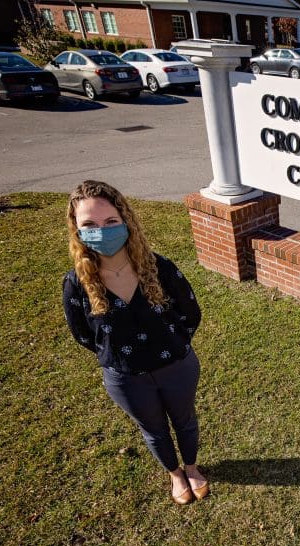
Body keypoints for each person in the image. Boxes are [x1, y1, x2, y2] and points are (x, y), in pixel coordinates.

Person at [62, 180, 207, 505]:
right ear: (78, 231)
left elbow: (191, 313)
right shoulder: (76, 284)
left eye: (110, 222)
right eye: (90, 225)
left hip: (177, 367)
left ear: (125, 221)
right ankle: (175, 475)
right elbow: (84, 335)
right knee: (154, 430)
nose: (101, 230)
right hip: (126, 379)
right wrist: (122, 359)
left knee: (185, 419)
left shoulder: (159, 268)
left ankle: (192, 467)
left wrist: (172, 346)